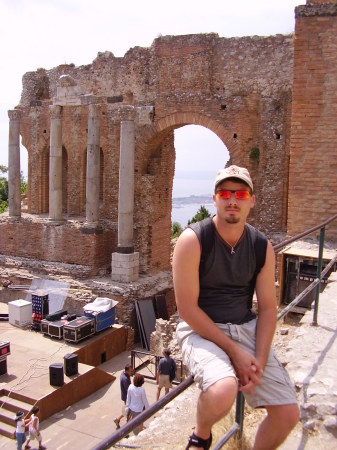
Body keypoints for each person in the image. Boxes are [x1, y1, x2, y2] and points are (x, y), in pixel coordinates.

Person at [173, 165, 299, 450]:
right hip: (201, 328)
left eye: (240, 193)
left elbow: (268, 308)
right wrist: (236, 354)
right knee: (223, 390)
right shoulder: (192, 241)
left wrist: (260, 363)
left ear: (251, 201)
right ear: (214, 199)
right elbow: (187, 310)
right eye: (225, 193)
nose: (233, 200)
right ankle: (201, 434)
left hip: (244, 325)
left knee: (287, 414)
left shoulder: (260, 246)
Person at [114, 363, 133, 429]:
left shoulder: (123, 374)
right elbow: (128, 390)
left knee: (128, 410)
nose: (131, 372)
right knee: (128, 410)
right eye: (130, 371)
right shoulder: (125, 379)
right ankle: (126, 424)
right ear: (127, 371)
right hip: (127, 397)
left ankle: (119, 420)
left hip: (125, 396)